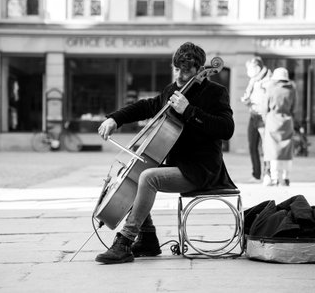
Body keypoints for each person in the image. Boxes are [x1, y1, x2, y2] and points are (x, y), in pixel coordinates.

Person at [95, 42, 237, 264]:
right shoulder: (172, 91)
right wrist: (115, 118)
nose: (180, 75)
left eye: (186, 70)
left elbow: (227, 129)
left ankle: (124, 241)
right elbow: (146, 106)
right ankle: (148, 238)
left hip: (201, 170)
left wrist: (189, 111)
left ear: (200, 70)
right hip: (178, 165)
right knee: (136, 172)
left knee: (148, 177)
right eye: (176, 69)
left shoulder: (215, 93)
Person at [262, 68, 297, 186]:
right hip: (287, 120)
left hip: (272, 120)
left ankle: (275, 177)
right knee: (287, 150)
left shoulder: (271, 89)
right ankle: (286, 177)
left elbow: (264, 107)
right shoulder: (292, 89)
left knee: (273, 151)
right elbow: (294, 107)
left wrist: (265, 117)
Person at [241, 57, 271, 185]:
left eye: (250, 69)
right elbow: (249, 95)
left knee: (266, 147)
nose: (249, 72)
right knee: (252, 146)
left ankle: (268, 174)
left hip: (263, 117)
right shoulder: (253, 80)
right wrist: (247, 100)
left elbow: (268, 99)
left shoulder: (268, 80)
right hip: (253, 115)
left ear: (257, 68)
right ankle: (256, 174)